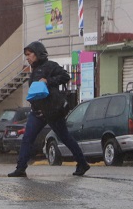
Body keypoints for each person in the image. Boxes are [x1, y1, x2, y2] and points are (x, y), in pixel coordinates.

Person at [7, 41, 90, 178]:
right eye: (26, 55)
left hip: (53, 111)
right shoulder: (33, 70)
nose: (27, 58)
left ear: (38, 53)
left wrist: (48, 80)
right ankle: (20, 168)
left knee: (65, 137)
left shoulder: (50, 66)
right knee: (27, 138)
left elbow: (65, 76)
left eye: (29, 54)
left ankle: (82, 163)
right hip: (37, 112)